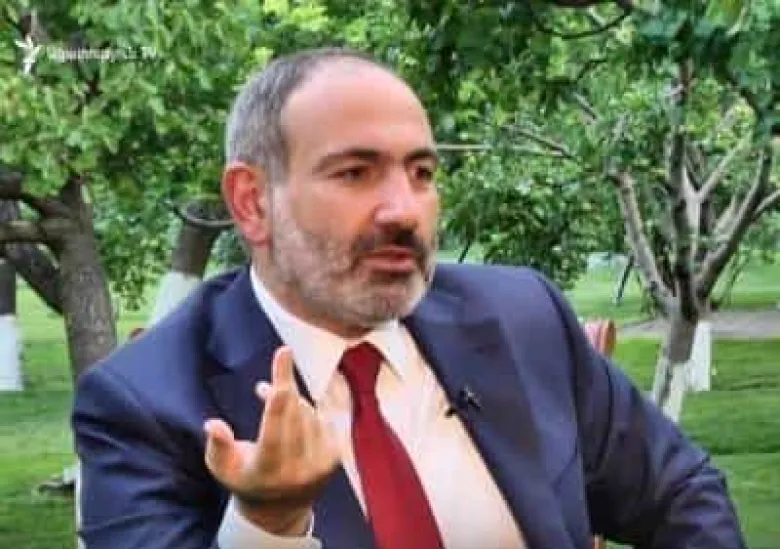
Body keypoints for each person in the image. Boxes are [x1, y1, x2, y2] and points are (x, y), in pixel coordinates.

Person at [72, 47, 745, 549]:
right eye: (355, 172)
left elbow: (681, 493)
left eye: (421, 172)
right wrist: (268, 523)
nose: (403, 209)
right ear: (252, 202)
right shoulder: (142, 404)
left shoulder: (524, 316)